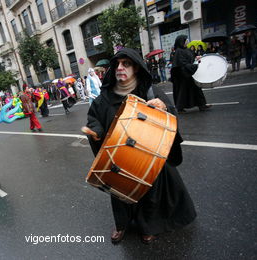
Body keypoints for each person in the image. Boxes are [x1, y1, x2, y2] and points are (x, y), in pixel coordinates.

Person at [82, 47, 196, 244]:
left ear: (136, 68)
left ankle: (149, 226)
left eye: (126, 64)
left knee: (150, 193)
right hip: (118, 156)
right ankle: (121, 225)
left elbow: (170, 116)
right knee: (117, 192)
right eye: (117, 64)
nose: (120, 67)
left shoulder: (150, 91)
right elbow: (95, 119)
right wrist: (96, 132)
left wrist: (163, 107)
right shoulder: (104, 98)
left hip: (147, 154)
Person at [171, 35, 212, 112]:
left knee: (197, 90)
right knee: (183, 92)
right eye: (185, 41)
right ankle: (180, 108)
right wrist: (194, 66)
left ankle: (202, 105)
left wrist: (196, 58)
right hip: (183, 77)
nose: (187, 42)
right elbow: (182, 64)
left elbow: (190, 59)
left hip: (190, 74)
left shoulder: (187, 49)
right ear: (181, 42)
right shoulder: (178, 52)